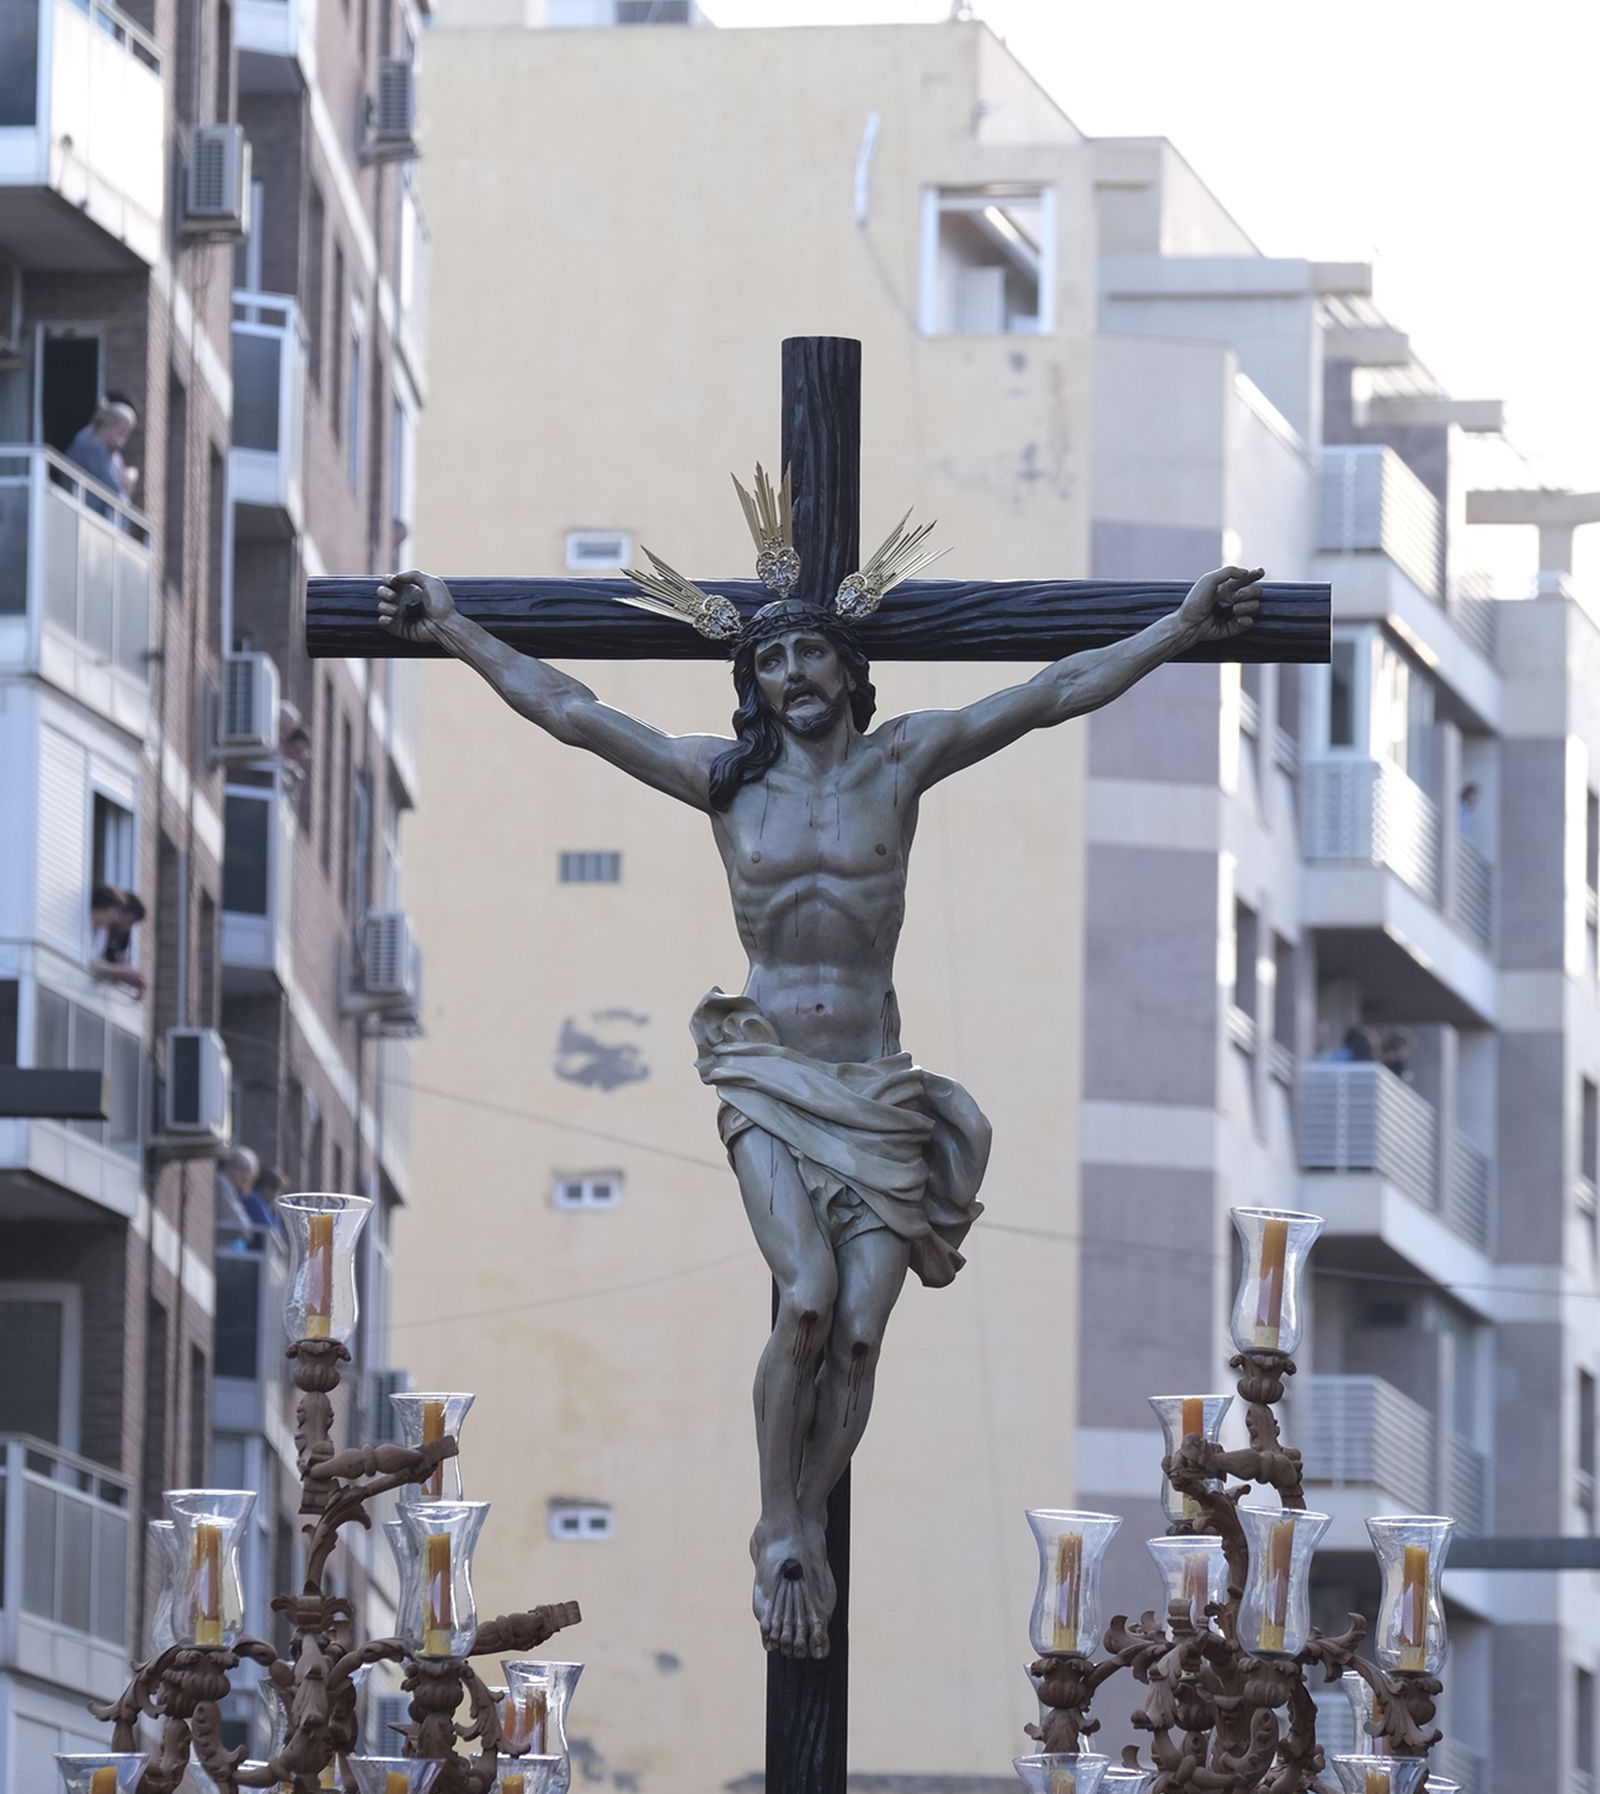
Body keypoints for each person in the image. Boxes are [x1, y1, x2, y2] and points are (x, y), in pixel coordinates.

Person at [379, 486, 1264, 1661]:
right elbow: (572, 709)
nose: (795, 671)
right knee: (802, 1297)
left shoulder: (902, 762)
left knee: (855, 1333)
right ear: (751, 680)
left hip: (875, 1084)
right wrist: (450, 625)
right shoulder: (724, 781)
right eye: (774, 656)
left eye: (812, 652)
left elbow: (1050, 693)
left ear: (851, 671)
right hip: (767, 1076)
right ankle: (781, 1519)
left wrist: (1180, 627)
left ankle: (808, 1510)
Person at [66, 398, 138, 505]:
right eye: (122, 431)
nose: (124, 438)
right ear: (111, 425)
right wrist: (129, 477)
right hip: (84, 510)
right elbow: (114, 488)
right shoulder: (92, 446)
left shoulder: (110, 452)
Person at [90, 883, 146, 994]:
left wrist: (131, 978)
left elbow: (118, 965)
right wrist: (122, 972)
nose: (129, 928)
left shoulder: (111, 935)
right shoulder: (100, 929)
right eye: (129, 921)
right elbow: (93, 964)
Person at [216, 1146, 261, 1246]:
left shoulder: (233, 1192)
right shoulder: (223, 1183)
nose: (245, 1177)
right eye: (242, 1170)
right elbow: (240, 1224)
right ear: (229, 1166)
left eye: (249, 1173)